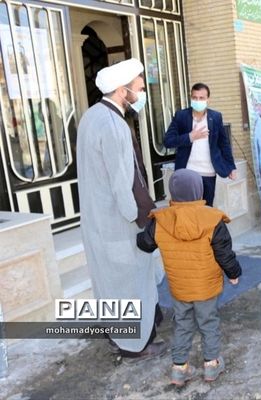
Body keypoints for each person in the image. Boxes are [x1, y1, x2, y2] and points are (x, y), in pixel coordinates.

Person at [76, 58, 166, 361]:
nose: (140, 94)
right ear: (120, 90)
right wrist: (142, 220)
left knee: (109, 282)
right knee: (130, 283)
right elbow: (123, 182)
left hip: (97, 218)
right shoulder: (113, 124)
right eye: (138, 89)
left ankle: (117, 337)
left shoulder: (91, 116)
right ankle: (135, 346)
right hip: (118, 221)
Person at [137, 169, 242, 386]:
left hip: (179, 287)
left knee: (183, 324)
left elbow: (145, 244)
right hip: (206, 288)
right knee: (208, 322)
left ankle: (179, 368)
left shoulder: (160, 220)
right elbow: (224, 252)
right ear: (199, 190)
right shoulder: (212, 218)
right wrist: (234, 274)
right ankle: (211, 365)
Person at [164, 82, 237, 206]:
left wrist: (231, 166)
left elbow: (224, 143)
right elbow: (168, 141)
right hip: (187, 172)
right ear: (191, 98)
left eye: (201, 98)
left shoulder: (216, 117)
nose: (198, 100)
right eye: (194, 98)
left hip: (208, 172)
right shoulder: (181, 116)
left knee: (206, 210)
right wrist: (190, 137)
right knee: (186, 210)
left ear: (208, 99)